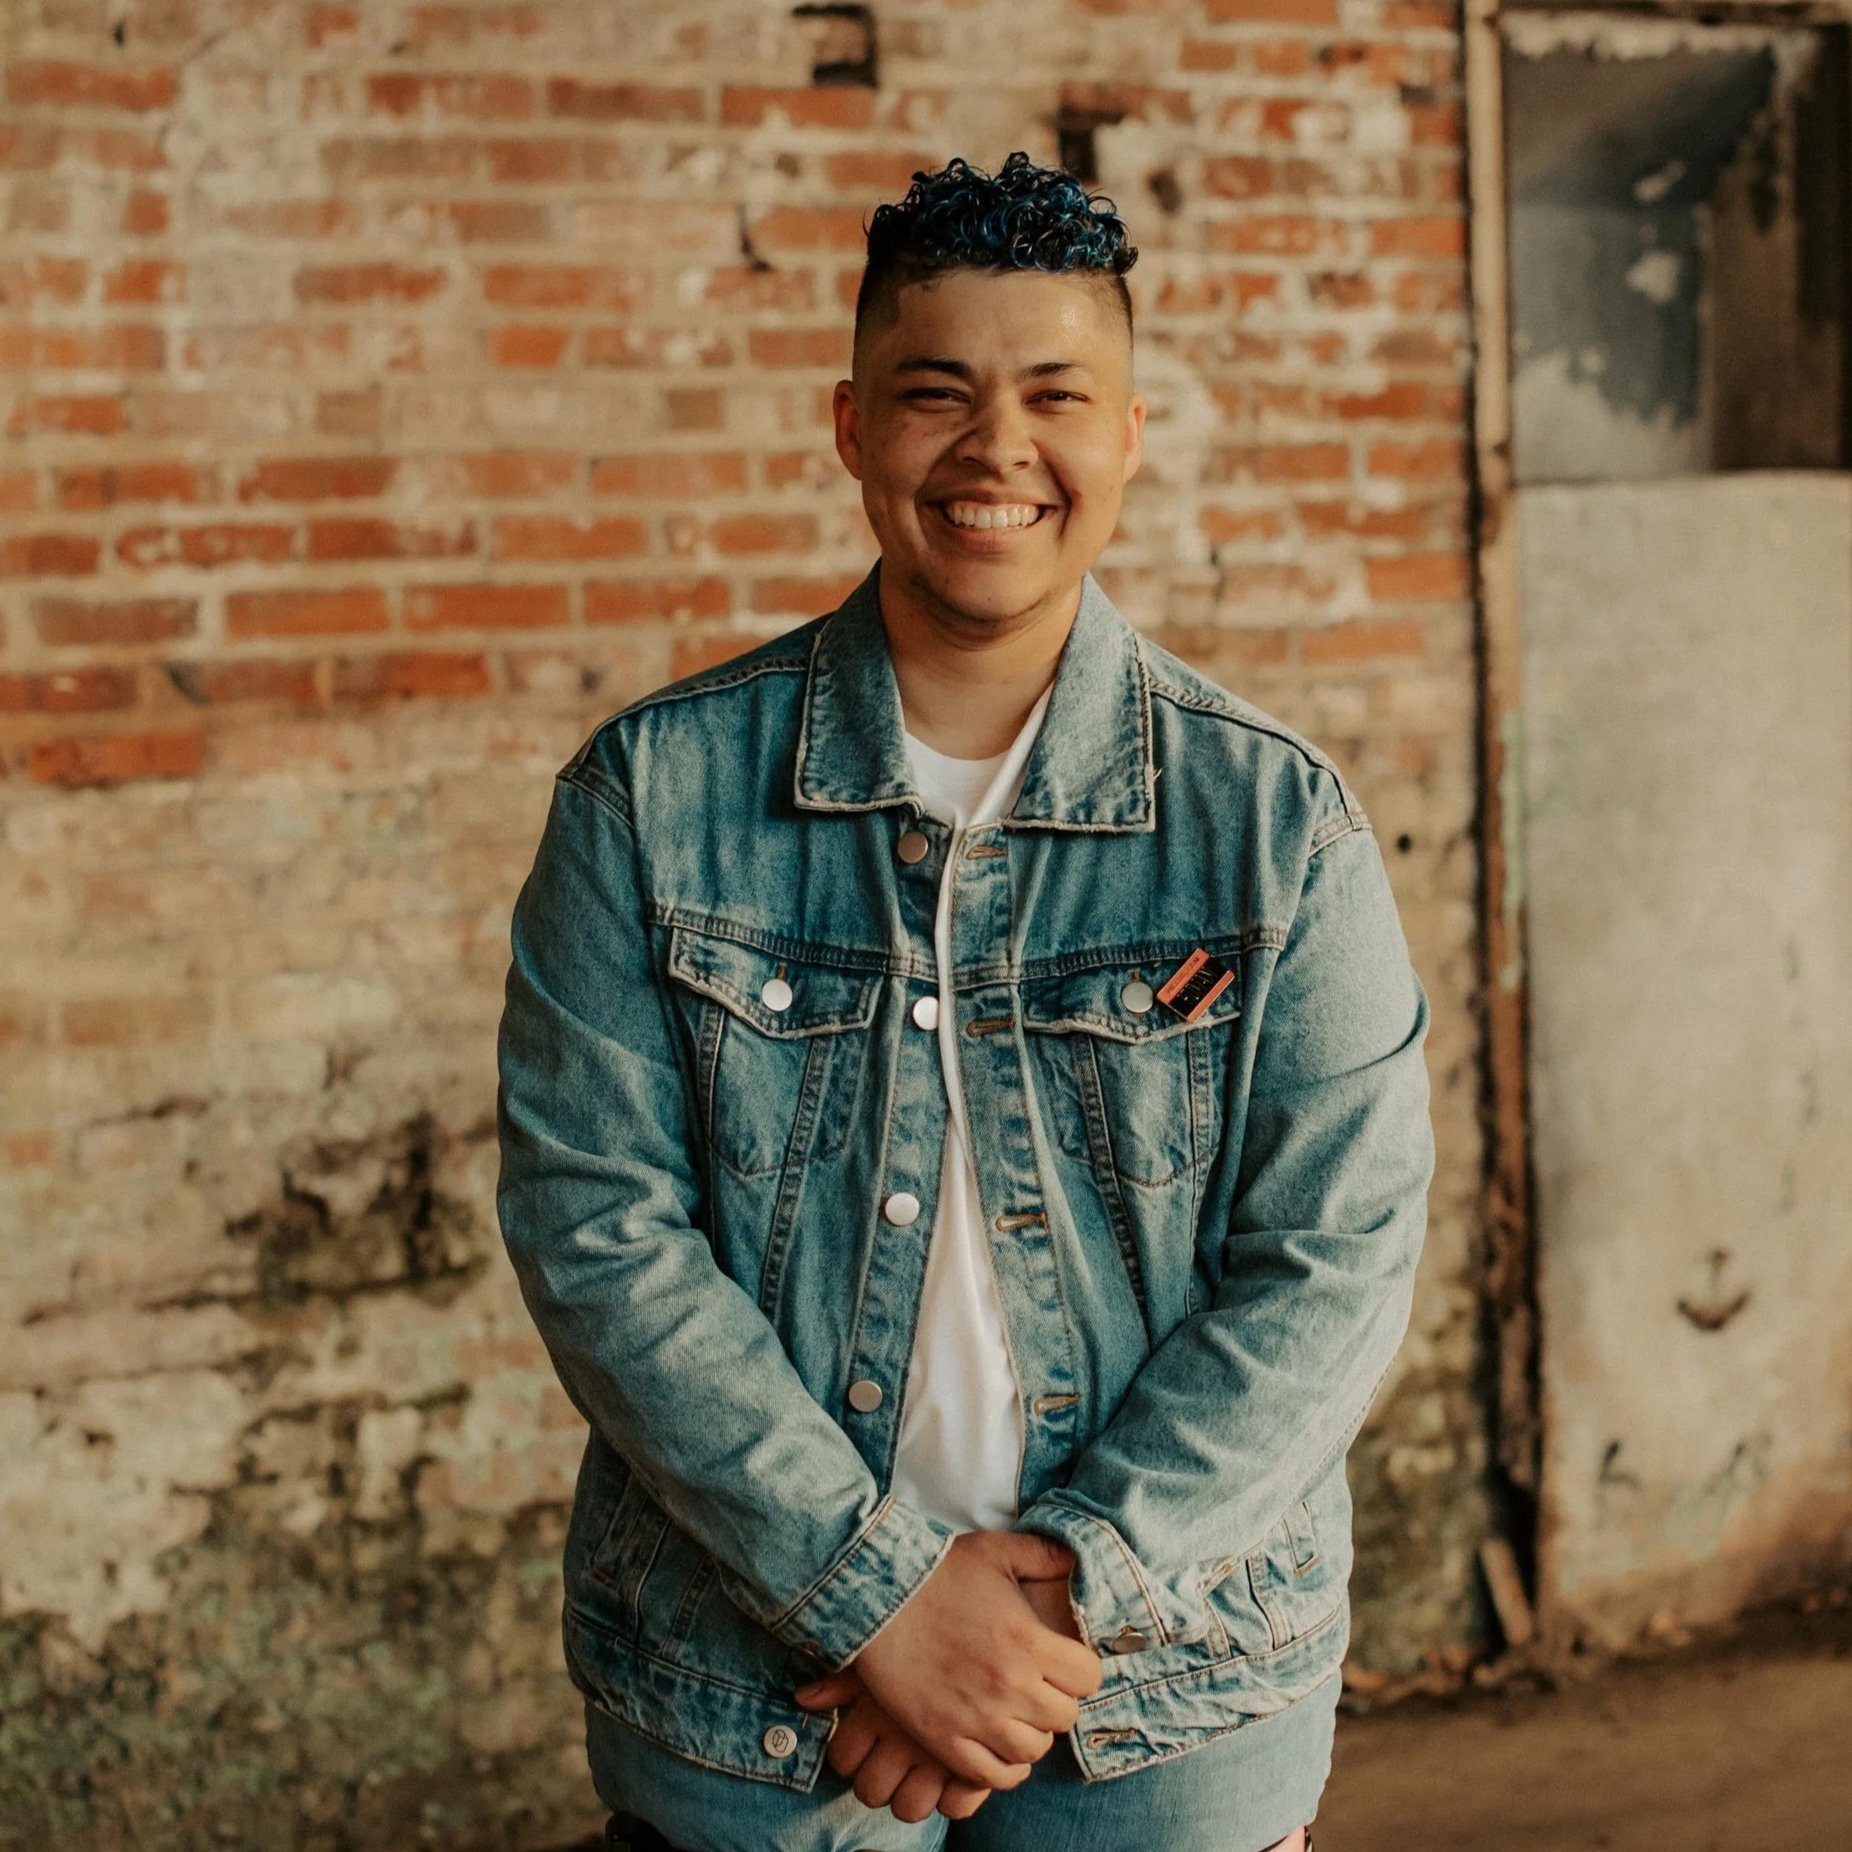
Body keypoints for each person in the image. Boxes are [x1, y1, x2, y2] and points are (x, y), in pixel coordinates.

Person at [496, 150, 1433, 1852]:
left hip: (1163, 1697)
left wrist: (1067, 1595)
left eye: (1057, 396)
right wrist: (874, 1600)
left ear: (1130, 436)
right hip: (752, 1686)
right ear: (852, 426)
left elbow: (1342, 1253)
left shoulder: (1277, 825)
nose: (998, 448)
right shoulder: (650, 800)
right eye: (937, 393)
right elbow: (595, 1227)